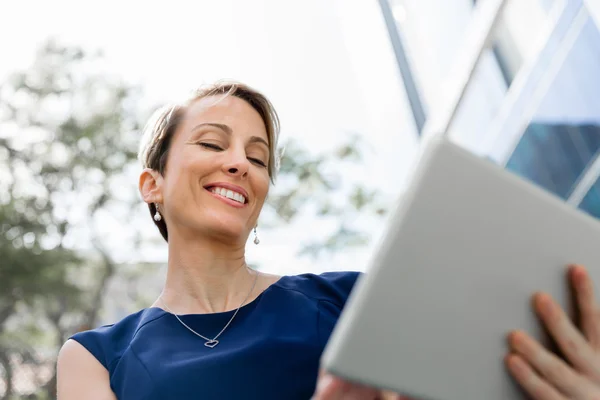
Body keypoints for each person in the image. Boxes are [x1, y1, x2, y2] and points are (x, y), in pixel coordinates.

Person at [56, 81, 600, 400]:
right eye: (211, 142)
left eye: (258, 157)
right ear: (152, 184)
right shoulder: (95, 358)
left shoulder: (355, 300)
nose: (238, 163)